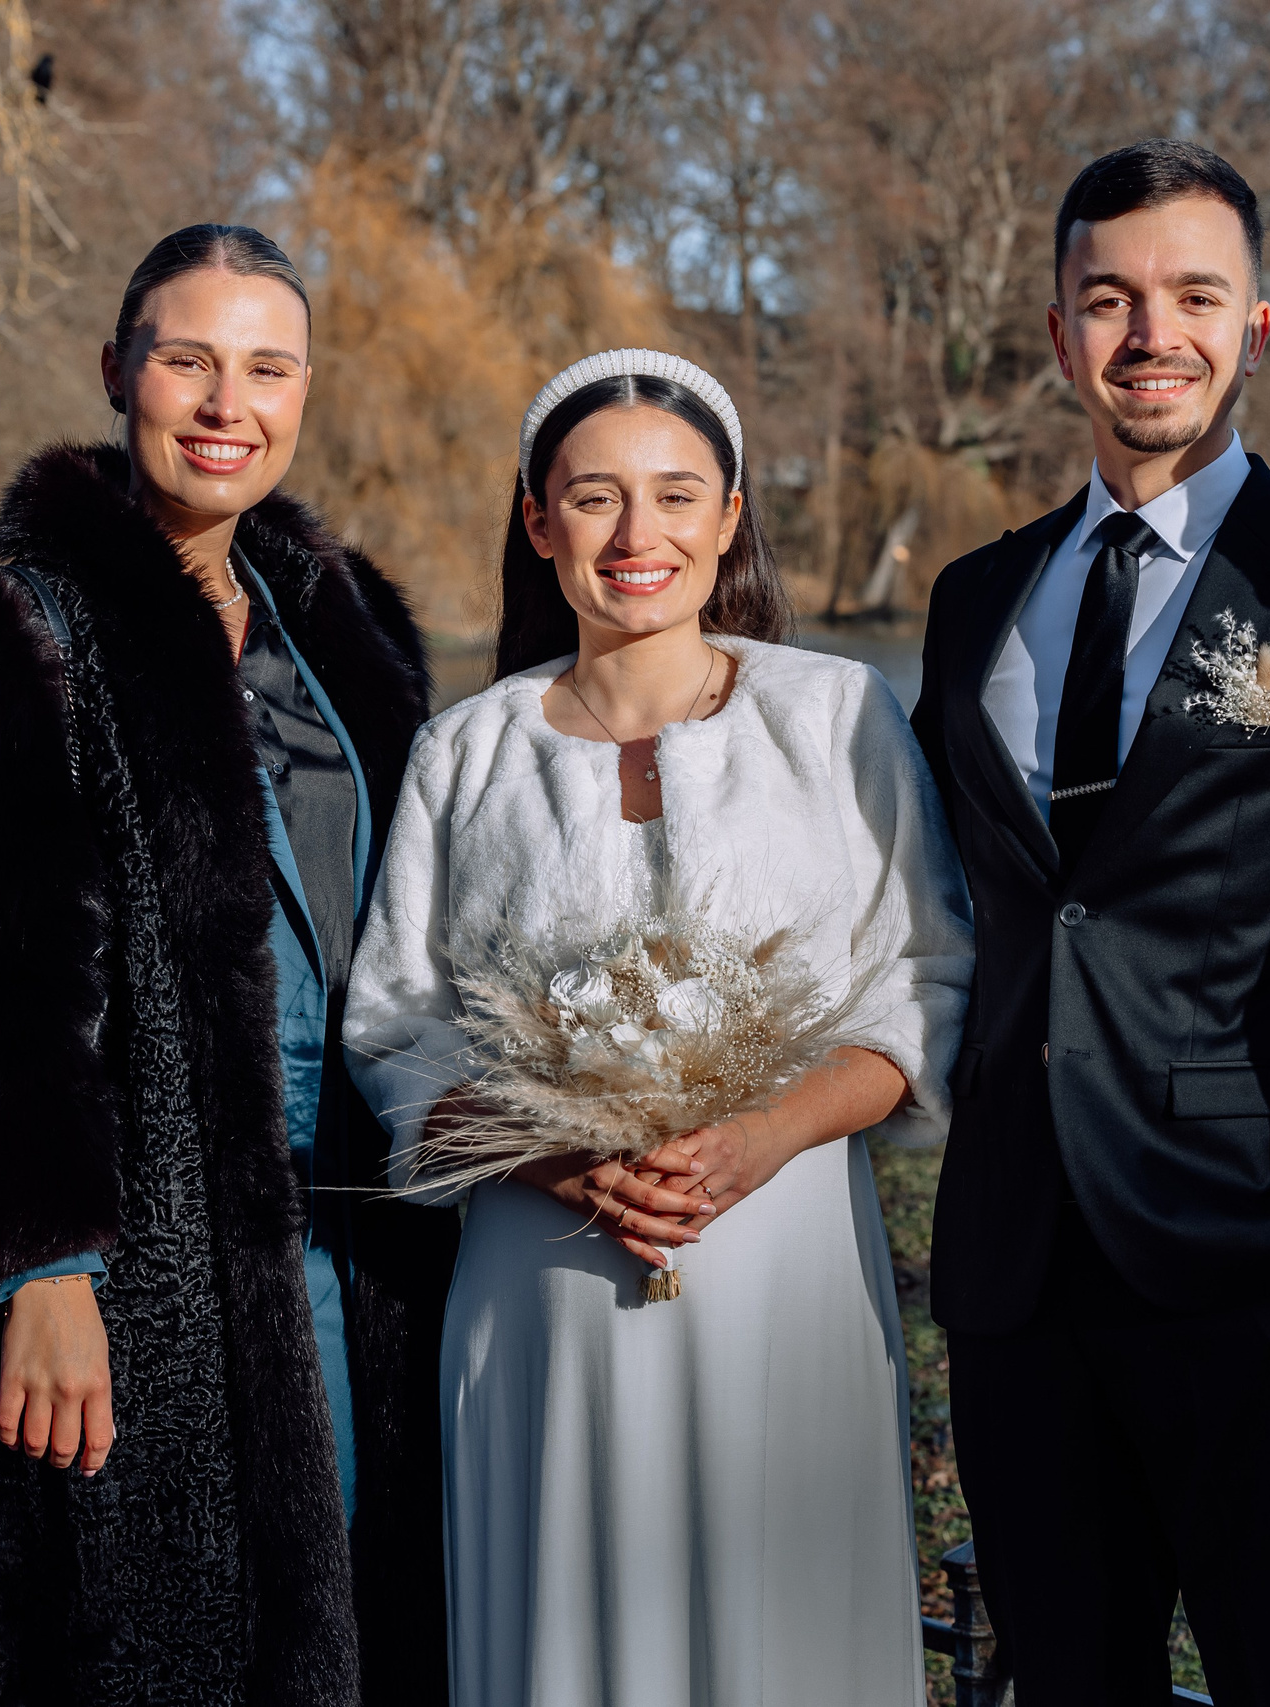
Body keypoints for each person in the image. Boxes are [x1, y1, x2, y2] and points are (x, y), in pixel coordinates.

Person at [0, 224, 458, 1704]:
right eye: (188, 359)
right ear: (118, 372)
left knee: (358, 1629)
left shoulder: (348, 640)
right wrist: (36, 1267)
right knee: (138, 1647)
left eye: (267, 367)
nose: (228, 401)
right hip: (132, 1254)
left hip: (354, 1247)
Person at [342, 349, 973, 1707]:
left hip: (787, 1265)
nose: (640, 537)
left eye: (678, 496)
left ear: (732, 514)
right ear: (536, 521)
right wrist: (550, 1157)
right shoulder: (467, 753)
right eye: (595, 499)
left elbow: (925, 977)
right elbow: (395, 1026)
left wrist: (769, 1134)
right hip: (543, 1281)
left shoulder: (837, 716)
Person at [905, 140, 1270, 1703]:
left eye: (1193, 295)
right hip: (1017, 1270)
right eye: (1108, 299)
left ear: (1252, 329)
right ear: (1059, 333)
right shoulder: (976, 599)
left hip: (1255, 1262)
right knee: (1065, 1679)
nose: (1149, 333)